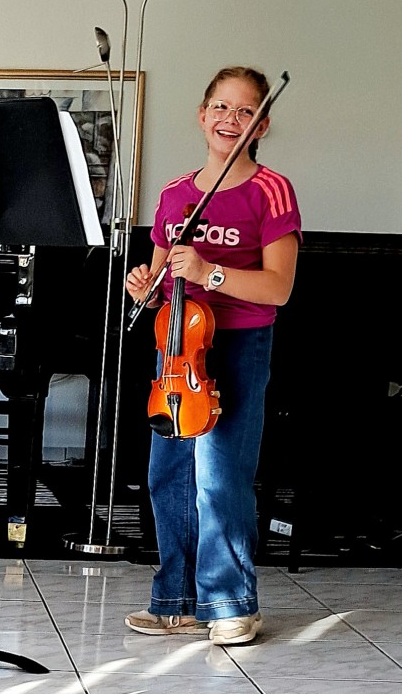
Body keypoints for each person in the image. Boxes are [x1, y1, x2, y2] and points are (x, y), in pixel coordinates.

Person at [123, 66, 301, 646]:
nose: (230, 119)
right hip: (177, 344)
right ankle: (175, 599)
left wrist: (209, 271)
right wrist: (145, 287)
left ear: (262, 125)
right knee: (168, 473)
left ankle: (231, 602)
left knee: (220, 476)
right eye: (220, 108)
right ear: (202, 115)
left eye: (245, 111)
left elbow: (278, 288)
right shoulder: (176, 194)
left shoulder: (270, 191)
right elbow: (160, 284)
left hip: (239, 342)